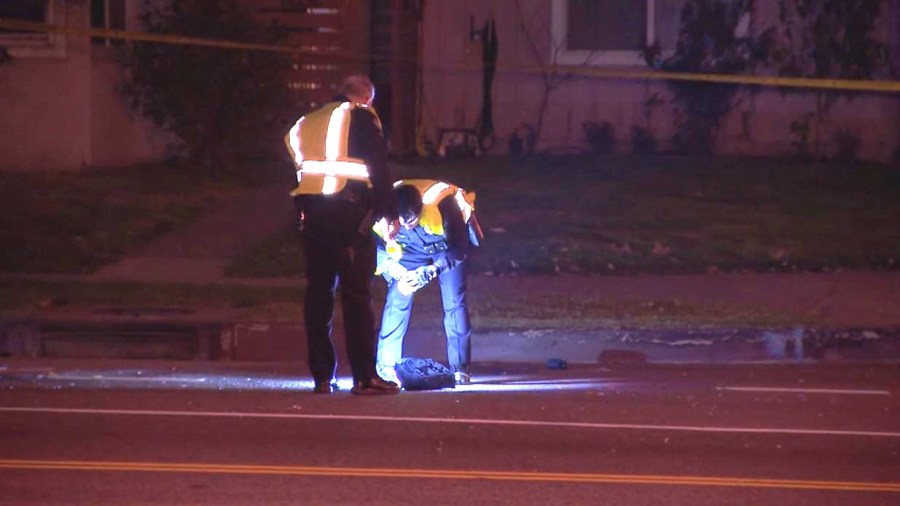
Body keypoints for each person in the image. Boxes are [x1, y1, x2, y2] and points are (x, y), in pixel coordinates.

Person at [284, 75, 401, 395]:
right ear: (365, 98)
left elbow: (298, 170)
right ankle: (365, 377)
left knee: (318, 293)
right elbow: (378, 166)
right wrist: (390, 212)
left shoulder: (304, 124)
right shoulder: (360, 116)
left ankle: (322, 376)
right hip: (349, 216)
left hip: (311, 216)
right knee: (356, 295)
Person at [372, 179, 482, 386]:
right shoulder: (383, 213)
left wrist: (432, 270)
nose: (405, 225)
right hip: (410, 249)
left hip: (444, 246)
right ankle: (386, 368)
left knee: (454, 300)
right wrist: (392, 268)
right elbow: (375, 247)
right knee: (397, 296)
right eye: (401, 221)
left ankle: (460, 368)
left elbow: (458, 249)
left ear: (420, 209)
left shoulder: (445, 207)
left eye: (411, 220)